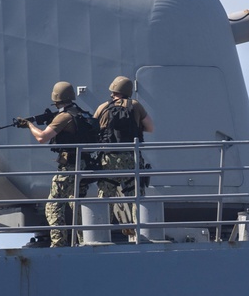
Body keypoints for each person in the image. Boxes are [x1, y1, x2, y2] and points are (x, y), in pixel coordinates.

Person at [21, 81, 98, 247]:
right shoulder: (82, 114)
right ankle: (84, 241)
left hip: (69, 167)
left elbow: (42, 137)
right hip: (84, 165)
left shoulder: (64, 117)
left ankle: (58, 242)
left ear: (56, 98)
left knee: (53, 205)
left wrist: (29, 125)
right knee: (76, 203)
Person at [93, 76, 154, 229]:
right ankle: (138, 230)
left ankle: (102, 231)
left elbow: (92, 129)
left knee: (105, 196)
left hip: (108, 158)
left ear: (113, 90)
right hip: (130, 157)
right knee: (136, 196)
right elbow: (150, 127)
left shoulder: (103, 107)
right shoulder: (135, 106)